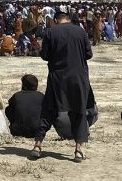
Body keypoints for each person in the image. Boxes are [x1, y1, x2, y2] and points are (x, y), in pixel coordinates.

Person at [32, 12, 94, 163]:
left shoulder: (50, 32)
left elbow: (45, 55)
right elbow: (89, 54)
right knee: (78, 112)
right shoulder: (80, 31)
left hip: (57, 77)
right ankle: (78, 149)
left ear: (55, 20)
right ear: (69, 19)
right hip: (78, 77)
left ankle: (37, 145)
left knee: (48, 110)